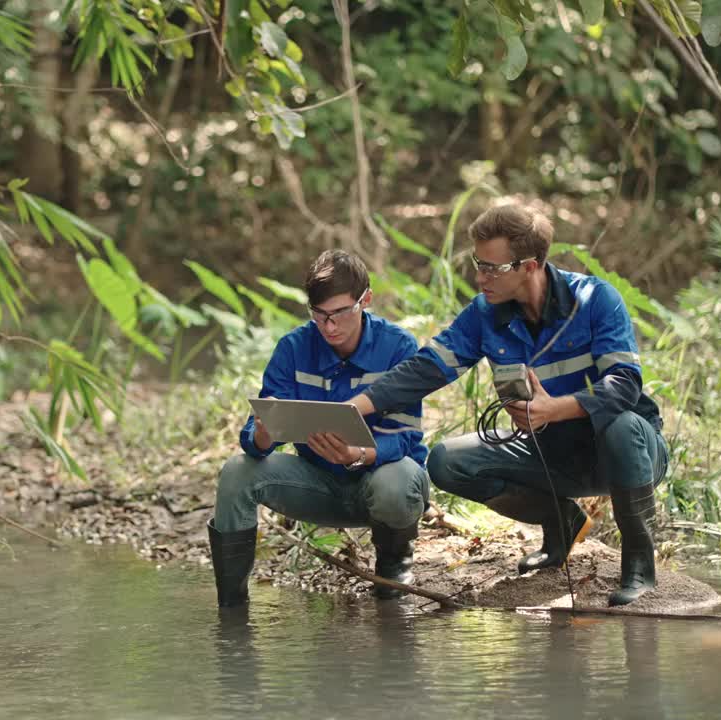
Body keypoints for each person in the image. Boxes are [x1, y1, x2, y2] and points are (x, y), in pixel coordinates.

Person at [348, 203, 668, 606]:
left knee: (622, 424)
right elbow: (427, 368)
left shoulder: (595, 299)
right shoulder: (485, 313)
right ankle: (561, 522)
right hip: (549, 452)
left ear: (530, 266)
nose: (480, 278)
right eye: (477, 264)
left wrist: (555, 409)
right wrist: (357, 406)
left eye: (492, 268)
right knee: (448, 460)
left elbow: (624, 386)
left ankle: (639, 566)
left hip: (626, 451)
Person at [207, 250, 430, 607]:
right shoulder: (294, 348)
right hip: (316, 483)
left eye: (341, 313)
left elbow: (407, 439)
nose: (329, 327)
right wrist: (263, 436)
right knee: (236, 472)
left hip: (382, 483)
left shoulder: (397, 346)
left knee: (396, 481)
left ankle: (392, 572)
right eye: (319, 315)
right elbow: (257, 434)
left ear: (366, 300)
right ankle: (233, 607)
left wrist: (357, 455)